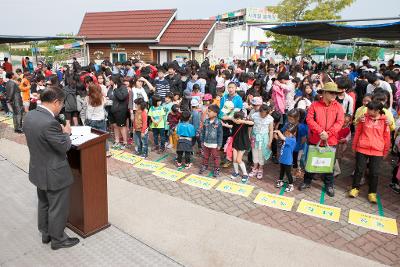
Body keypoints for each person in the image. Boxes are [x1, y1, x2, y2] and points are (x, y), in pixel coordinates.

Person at [23, 86, 80, 250]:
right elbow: (64, 147)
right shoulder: (49, 123)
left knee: (43, 203)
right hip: (54, 172)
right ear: (56, 102)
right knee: (57, 206)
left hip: (38, 169)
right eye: (61, 104)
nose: (61, 108)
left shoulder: (31, 115)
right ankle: (58, 239)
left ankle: (46, 233)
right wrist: (66, 133)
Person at [298, 82, 344, 197]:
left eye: (336, 93)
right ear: (324, 93)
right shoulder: (314, 105)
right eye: (331, 92)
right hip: (315, 138)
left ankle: (329, 185)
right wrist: (320, 131)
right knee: (311, 161)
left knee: (330, 164)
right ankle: (307, 181)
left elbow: (340, 122)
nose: (334, 95)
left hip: (331, 140)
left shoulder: (338, 106)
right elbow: (309, 120)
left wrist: (328, 133)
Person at [349, 101, 391, 203]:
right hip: (362, 148)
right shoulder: (363, 118)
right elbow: (358, 132)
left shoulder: (385, 121)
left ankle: (372, 193)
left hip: (377, 151)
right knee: (359, 169)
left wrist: (386, 151)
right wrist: (354, 147)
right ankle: (355, 188)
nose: (367, 110)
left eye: (370, 109)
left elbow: (387, 137)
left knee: (374, 173)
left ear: (377, 111)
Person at [227, 111, 254, 184]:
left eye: (238, 119)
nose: (237, 121)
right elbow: (224, 117)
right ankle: (236, 172)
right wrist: (233, 119)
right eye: (236, 119)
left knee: (239, 160)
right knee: (234, 159)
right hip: (235, 143)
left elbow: (252, 123)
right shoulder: (234, 122)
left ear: (242, 118)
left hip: (243, 144)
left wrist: (243, 121)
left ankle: (245, 174)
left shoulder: (244, 124)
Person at [84, 84, 110, 155]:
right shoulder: (103, 98)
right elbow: (104, 104)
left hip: (90, 120)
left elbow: (85, 106)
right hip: (101, 119)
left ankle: (93, 151)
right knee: (103, 136)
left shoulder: (87, 98)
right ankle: (107, 151)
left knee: (91, 136)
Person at [249, 104, 273, 180]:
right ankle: (255, 167)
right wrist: (249, 135)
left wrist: (270, 141)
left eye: (264, 114)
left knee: (261, 154)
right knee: (254, 152)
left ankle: (260, 169)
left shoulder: (270, 119)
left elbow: (271, 130)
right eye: (261, 113)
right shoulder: (254, 115)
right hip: (255, 136)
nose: (263, 115)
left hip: (264, 138)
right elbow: (250, 126)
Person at [200, 104, 223, 177]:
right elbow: (203, 132)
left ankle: (216, 169)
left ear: (215, 113)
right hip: (206, 143)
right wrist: (202, 141)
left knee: (216, 157)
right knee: (205, 156)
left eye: (209, 111)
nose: (207, 113)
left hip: (214, 144)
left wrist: (219, 144)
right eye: (207, 111)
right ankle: (204, 165)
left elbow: (220, 134)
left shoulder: (218, 122)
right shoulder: (206, 121)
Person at [274, 123, 297, 193]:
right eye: (286, 132)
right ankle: (280, 181)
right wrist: (276, 135)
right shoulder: (287, 138)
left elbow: (283, 137)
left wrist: (278, 132)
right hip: (283, 159)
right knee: (281, 171)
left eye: (289, 133)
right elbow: (279, 139)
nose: (287, 134)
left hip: (288, 161)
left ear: (294, 133)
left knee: (288, 173)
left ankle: (291, 185)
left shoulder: (292, 140)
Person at [109, 75, 129, 149]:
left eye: (110, 80)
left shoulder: (123, 87)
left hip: (120, 110)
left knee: (122, 126)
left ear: (114, 81)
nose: (109, 81)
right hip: (112, 109)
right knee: (115, 126)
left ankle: (125, 142)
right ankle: (117, 141)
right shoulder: (111, 87)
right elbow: (109, 95)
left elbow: (122, 97)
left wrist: (116, 89)